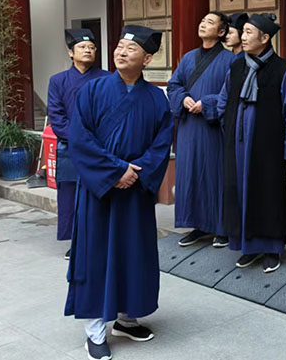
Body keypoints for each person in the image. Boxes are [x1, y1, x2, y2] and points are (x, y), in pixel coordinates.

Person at [66, 26, 173, 360]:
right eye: (119, 46)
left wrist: (135, 173)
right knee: (96, 257)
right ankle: (95, 331)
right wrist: (115, 172)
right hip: (99, 192)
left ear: (147, 59)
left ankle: (127, 318)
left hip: (135, 192)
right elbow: (80, 138)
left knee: (134, 255)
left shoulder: (157, 98)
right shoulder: (93, 90)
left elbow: (162, 144)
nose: (121, 52)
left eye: (131, 48)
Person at [218, 13, 286, 273]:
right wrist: (228, 128)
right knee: (239, 193)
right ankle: (248, 246)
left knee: (268, 194)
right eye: (242, 32)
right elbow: (223, 100)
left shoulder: (282, 69)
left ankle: (272, 248)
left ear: (265, 38)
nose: (242, 37)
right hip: (238, 144)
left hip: (268, 146)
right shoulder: (236, 66)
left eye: (248, 33)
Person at [167, 12, 236, 248]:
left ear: (221, 32)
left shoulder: (230, 60)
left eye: (210, 22)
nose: (203, 24)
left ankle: (221, 227)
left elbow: (232, 94)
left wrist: (207, 103)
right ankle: (197, 225)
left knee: (214, 175)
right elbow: (174, 85)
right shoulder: (188, 57)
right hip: (188, 127)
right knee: (190, 175)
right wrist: (183, 98)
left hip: (212, 128)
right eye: (202, 20)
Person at [47, 29, 110, 260]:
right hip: (70, 147)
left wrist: (97, 140)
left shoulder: (106, 78)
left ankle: (101, 240)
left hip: (100, 146)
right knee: (71, 196)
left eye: (92, 47)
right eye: (83, 47)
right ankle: (77, 242)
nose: (88, 50)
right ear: (70, 53)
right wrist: (80, 139)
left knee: (100, 192)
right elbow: (57, 117)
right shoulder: (58, 81)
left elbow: (111, 113)